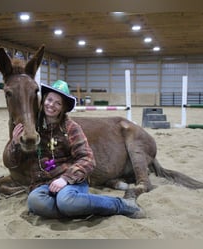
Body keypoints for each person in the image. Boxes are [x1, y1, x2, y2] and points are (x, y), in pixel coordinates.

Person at [12, 80, 145, 219]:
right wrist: (15, 144)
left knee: (65, 200)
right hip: (45, 183)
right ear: (44, 99)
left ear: (63, 108)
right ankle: (76, 208)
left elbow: (87, 158)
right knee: (35, 202)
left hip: (72, 181)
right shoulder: (34, 127)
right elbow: (16, 161)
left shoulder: (71, 128)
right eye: (49, 99)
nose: (51, 105)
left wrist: (65, 179)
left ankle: (120, 204)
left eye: (58, 103)